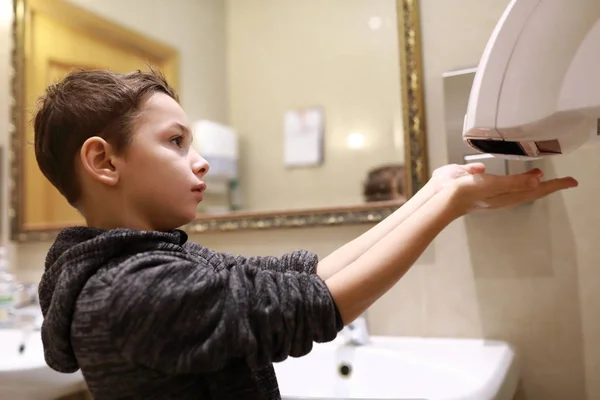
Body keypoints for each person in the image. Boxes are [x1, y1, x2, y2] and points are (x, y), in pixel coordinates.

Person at [34, 68, 577, 400]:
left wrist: (435, 194)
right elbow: (317, 305)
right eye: (176, 142)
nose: (200, 164)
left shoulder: (146, 261)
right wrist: (444, 207)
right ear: (104, 161)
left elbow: (307, 279)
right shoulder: (130, 289)